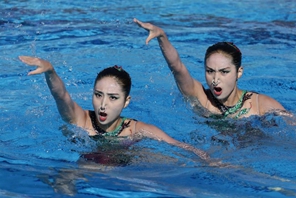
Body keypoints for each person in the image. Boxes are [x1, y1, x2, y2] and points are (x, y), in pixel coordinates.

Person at [19, 56, 210, 163]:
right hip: (90, 166)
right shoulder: (82, 119)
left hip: (127, 162)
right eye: (98, 95)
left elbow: (179, 146)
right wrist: (50, 71)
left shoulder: (134, 129)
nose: (103, 104)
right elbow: (62, 96)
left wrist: (211, 162)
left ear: (126, 102)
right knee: (67, 178)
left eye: (113, 98)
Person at [133, 18, 288, 119]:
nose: (215, 79)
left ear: (239, 72)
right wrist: (162, 36)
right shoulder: (201, 98)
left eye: (224, 72)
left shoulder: (259, 105)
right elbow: (177, 67)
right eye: (210, 71)